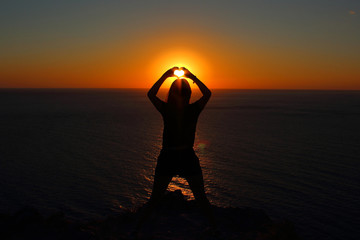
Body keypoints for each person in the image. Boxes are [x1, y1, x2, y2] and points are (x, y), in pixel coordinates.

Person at [135, 67, 216, 234]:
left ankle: (136, 231)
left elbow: (151, 94)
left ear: (172, 93)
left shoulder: (168, 109)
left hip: (171, 156)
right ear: (188, 94)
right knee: (200, 199)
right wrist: (191, 76)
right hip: (184, 156)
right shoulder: (191, 109)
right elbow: (207, 93)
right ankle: (216, 230)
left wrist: (166, 75)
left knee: (155, 200)